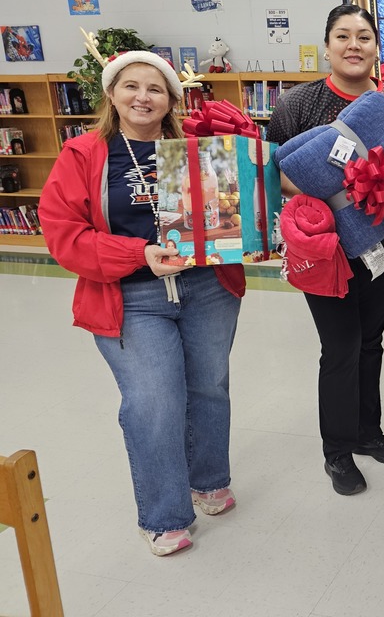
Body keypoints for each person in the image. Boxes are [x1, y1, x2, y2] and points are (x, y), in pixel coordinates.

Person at [38, 50, 245, 557]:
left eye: (155, 88)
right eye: (130, 86)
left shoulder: (200, 149)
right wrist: (139, 254)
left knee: (210, 387)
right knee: (154, 401)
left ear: (173, 98)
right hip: (129, 296)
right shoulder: (84, 155)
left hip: (206, 288)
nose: (142, 97)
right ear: (111, 94)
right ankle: (164, 515)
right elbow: (64, 235)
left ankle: (209, 479)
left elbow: (232, 217)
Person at [266, 4, 384, 496]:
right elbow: (271, 173)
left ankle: (366, 431)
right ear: (328, 45)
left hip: (383, 242)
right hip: (324, 250)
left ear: (377, 46)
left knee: (372, 341)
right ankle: (336, 452)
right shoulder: (299, 104)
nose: (353, 45)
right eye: (342, 36)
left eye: (363, 36)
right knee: (340, 348)